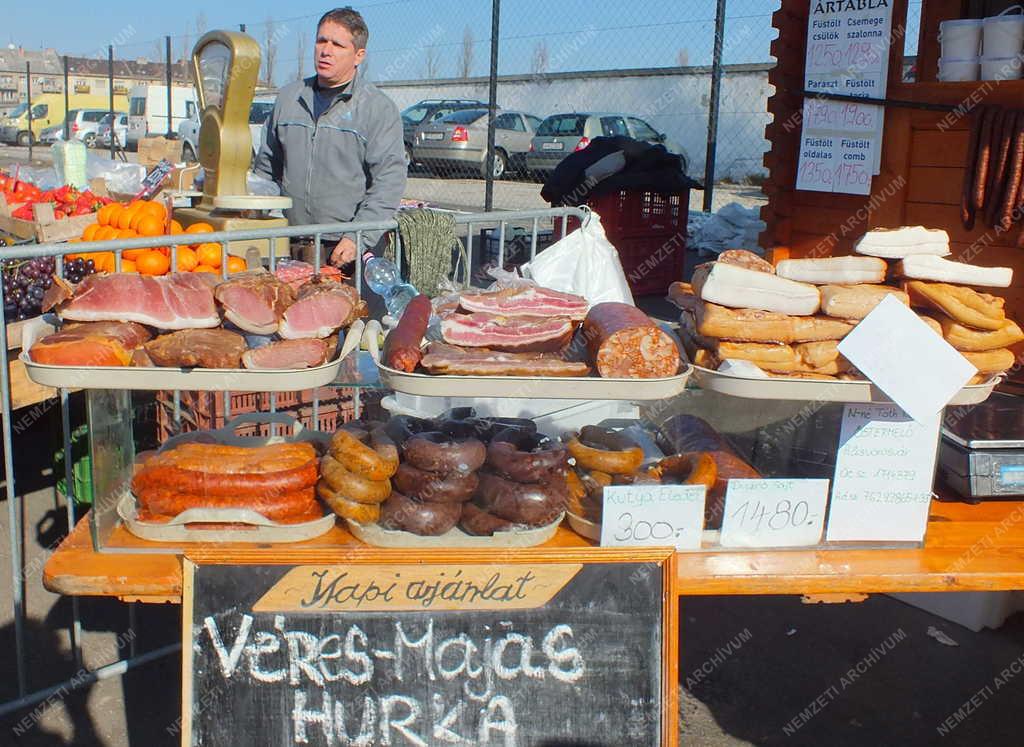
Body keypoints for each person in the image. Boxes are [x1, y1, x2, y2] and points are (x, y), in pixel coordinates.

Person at [254, 7, 406, 269]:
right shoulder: (289, 98)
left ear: (359, 55)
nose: (326, 50)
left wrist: (358, 236)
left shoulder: (377, 108)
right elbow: (265, 170)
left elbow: (388, 183)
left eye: (337, 44)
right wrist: (255, 221)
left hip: (347, 251)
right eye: (321, 40)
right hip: (290, 242)